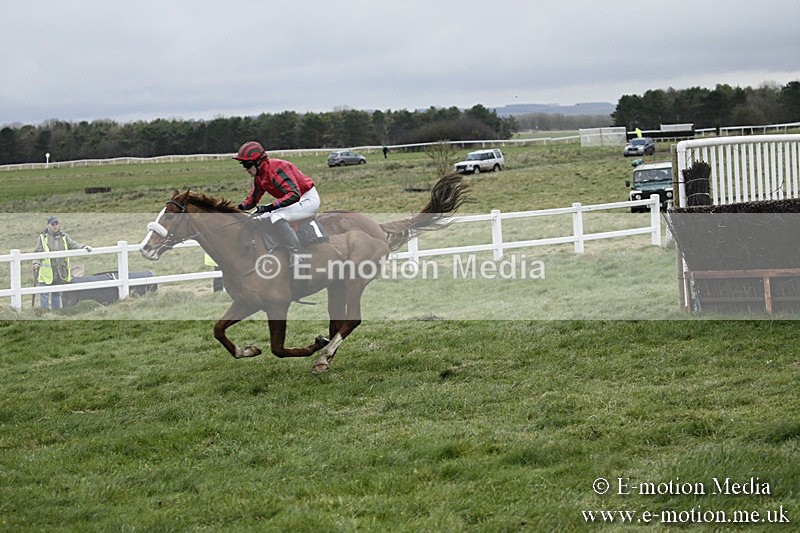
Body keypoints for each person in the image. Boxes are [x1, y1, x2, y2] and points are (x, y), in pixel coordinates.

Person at [234, 141, 320, 265]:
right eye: (243, 165)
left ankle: (298, 253)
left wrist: (270, 207)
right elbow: (252, 201)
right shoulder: (259, 176)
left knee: (276, 216)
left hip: (307, 199)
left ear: (258, 161)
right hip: (293, 202)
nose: (245, 169)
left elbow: (293, 194)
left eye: (247, 164)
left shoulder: (277, 168)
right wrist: (236, 208)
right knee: (256, 217)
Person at [32, 216, 92, 309]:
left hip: (60, 272)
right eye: (53, 224)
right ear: (48, 225)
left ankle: (56, 313)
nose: (55, 226)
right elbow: (38, 252)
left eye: (57, 224)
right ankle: (44, 314)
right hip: (47, 273)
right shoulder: (42, 237)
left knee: (57, 294)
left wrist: (83, 247)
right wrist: (36, 263)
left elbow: (72, 244)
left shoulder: (64, 236)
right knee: (44, 294)